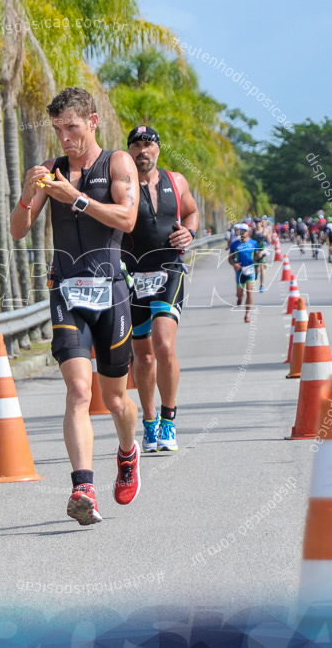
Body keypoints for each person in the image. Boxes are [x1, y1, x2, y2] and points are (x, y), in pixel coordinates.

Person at [10, 87, 140, 526]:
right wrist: (29, 195)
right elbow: (18, 230)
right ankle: (83, 486)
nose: (65, 138)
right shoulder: (52, 171)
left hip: (111, 291)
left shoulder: (118, 163)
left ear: (93, 122)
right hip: (67, 291)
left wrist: (77, 199)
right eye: (58, 129)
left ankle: (127, 454)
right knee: (80, 391)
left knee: (116, 398)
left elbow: (127, 219)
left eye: (72, 128)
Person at [121, 125, 199, 453]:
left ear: (158, 149)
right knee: (143, 354)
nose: (143, 151)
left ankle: (169, 418)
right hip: (133, 274)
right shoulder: (121, 185)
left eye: (148, 145)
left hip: (170, 269)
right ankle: (150, 422)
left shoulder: (176, 180)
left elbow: (192, 211)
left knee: (164, 345)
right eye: (136, 146)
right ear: (129, 151)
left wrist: (190, 233)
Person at [228, 223, 262, 323]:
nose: (242, 233)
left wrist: (259, 256)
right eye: (240, 231)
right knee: (239, 293)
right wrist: (234, 264)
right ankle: (239, 298)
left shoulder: (253, 243)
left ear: (248, 232)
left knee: (249, 292)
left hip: (250, 270)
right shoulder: (234, 244)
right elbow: (230, 259)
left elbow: (256, 256)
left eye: (244, 231)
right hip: (240, 271)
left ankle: (247, 315)